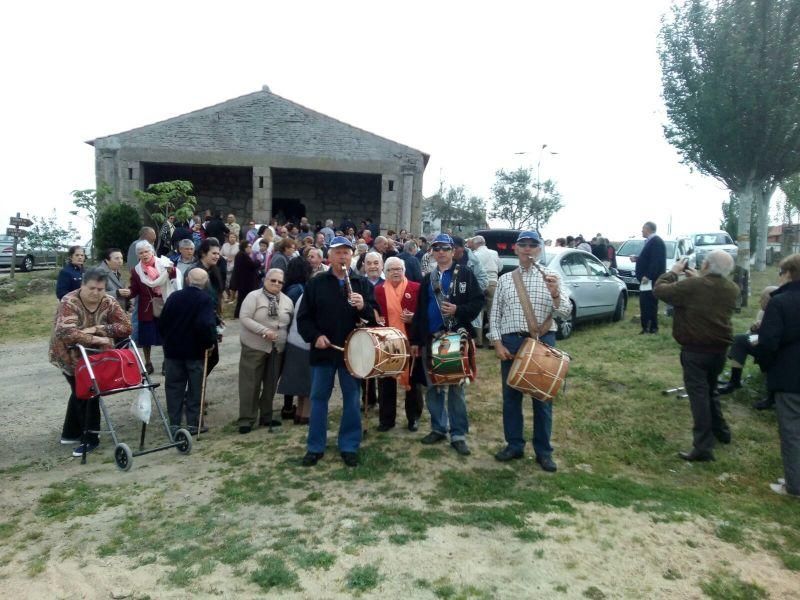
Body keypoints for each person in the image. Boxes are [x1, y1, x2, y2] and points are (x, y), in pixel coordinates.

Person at [488, 231, 571, 472]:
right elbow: (495, 315)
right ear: (515, 249)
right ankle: (514, 445)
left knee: (542, 399)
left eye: (532, 245)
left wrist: (555, 292)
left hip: (543, 342)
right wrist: (497, 343)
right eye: (522, 245)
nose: (527, 250)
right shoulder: (505, 280)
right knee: (511, 398)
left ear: (540, 249)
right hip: (511, 342)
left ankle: (544, 452)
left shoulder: (553, 277)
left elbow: (564, 312)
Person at [297, 236, 379, 467]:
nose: (342, 257)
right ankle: (315, 447)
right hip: (324, 351)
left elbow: (375, 318)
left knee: (352, 399)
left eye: (346, 252)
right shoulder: (316, 283)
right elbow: (303, 318)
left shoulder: (361, 284)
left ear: (352, 256)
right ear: (329, 256)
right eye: (338, 252)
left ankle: (349, 446)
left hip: (352, 352)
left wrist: (363, 306)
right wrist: (315, 337)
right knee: (318, 398)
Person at [654, 250, 739, 462]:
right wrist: (698, 280)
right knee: (711, 391)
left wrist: (672, 273)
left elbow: (660, 291)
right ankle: (722, 432)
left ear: (706, 266)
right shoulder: (732, 288)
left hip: (696, 350)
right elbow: (708, 293)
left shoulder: (693, 286)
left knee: (699, 397)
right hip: (719, 349)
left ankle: (703, 446)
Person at [410, 233, 484, 456]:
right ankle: (438, 428)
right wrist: (416, 340)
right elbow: (420, 311)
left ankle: (458, 433)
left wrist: (458, 310)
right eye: (436, 248)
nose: (440, 252)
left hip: (452, 337)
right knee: (433, 387)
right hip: (431, 337)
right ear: (432, 252)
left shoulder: (465, 274)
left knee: (454, 388)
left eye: (445, 248)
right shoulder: (427, 279)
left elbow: (478, 301)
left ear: (453, 251)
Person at [49, 267, 132, 456]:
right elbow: (66, 332)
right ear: (82, 285)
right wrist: (96, 339)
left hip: (94, 355)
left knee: (80, 391)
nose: (96, 293)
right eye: (92, 288)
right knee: (88, 392)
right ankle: (91, 438)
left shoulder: (108, 301)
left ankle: (70, 433)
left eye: (100, 289)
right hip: (68, 354)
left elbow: (126, 327)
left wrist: (98, 329)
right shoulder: (69, 301)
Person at [752, 254, 800, 496]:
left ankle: (794, 485)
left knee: (791, 431)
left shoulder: (780, 302)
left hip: (791, 376)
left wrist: (767, 366)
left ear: (789, 273)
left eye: (780, 272)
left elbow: (768, 343)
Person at [158, 268, 218, 434]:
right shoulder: (204, 299)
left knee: (174, 388)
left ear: (187, 280)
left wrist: (168, 340)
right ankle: (193, 424)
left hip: (173, 351)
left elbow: (162, 322)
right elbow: (205, 324)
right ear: (205, 283)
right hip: (195, 352)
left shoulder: (174, 297)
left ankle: (175, 424)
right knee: (195, 388)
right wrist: (210, 342)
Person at [237, 268, 294, 433]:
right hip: (254, 346)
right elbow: (244, 318)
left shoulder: (287, 300)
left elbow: (288, 321)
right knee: (250, 384)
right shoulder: (253, 297)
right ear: (265, 280)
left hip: (277, 348)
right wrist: (264, 331)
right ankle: (246, 419)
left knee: (270, 384)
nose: (276, 284)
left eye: (280, 282)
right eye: (273, 280)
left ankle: (266, 416)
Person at [374, 257, 423, 431]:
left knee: (413, 380)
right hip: (387, 342)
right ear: (385, 273)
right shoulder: (377, 291)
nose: (396, 272)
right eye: (391, 269)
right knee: (386, 381)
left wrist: (414, 318)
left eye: (399, 269)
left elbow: (425, 315)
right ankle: (386, 420)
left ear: (404, 271)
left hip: (411, 340)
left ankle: (413, 418)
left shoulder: (416, 288)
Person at [717, 286, 778, 398]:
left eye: (762, 298)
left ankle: (772, 392)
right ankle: (734, 381)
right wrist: (754, 329)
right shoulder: (762, 313)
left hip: (776, 350)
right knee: (740, 339)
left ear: (770, 300)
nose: (759, 301)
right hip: (762, 344)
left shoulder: (781, 313)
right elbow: (749, 335)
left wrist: (762, 336)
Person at [129, 240, 177, 374]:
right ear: (138, 255)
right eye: (141, 253)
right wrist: (128, 293)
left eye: (146, 251)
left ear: (152, 251)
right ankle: (148, 363)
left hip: (164, 304)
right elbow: (134, 289)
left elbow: (173, 276)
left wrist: (171, 270)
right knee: (146, 339)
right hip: (147, 308)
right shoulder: (136, 271)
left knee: (166, 336)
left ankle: (166, 363)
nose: (144, 255)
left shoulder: (164, 263)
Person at [278, 257, 314, 425]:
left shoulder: (297, 290)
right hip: (305, 342)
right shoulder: (304, 292)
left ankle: (298, 412)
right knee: (307, 382)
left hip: (294, 339)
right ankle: (305, 414)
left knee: (299, 381)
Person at [635, 222, 667, 334]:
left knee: (648, 303)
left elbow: (656, 262)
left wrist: (648, 276)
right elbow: (649, 259)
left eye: (643, 228)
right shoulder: (651, 242)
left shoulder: (656, 242)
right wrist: (638, 259)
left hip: (650, 280)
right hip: (647, 279)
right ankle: (647, 327)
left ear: (648, 229)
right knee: (645, 303)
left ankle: (651, 328)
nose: (641, 231)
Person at [471, 235, 502, 347]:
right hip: (493, 282)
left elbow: (473, 270)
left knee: (478, 312)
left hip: (480, 284)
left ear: (476, 244)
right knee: (492, 313)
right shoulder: (494, 253)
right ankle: (492, 342)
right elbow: (500, 267)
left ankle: (478, 341)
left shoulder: (475, 254)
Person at [233, 240, 260, 319]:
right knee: (243, 299)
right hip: (245, 282)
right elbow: (252, 265)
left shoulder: (241, 255)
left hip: (243, 281)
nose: (250, 248)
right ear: (245, 247)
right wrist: (258, 261)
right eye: (249, 247)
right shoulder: (243, 255)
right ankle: (239, 314)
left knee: (242, 298)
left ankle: (239, 314)